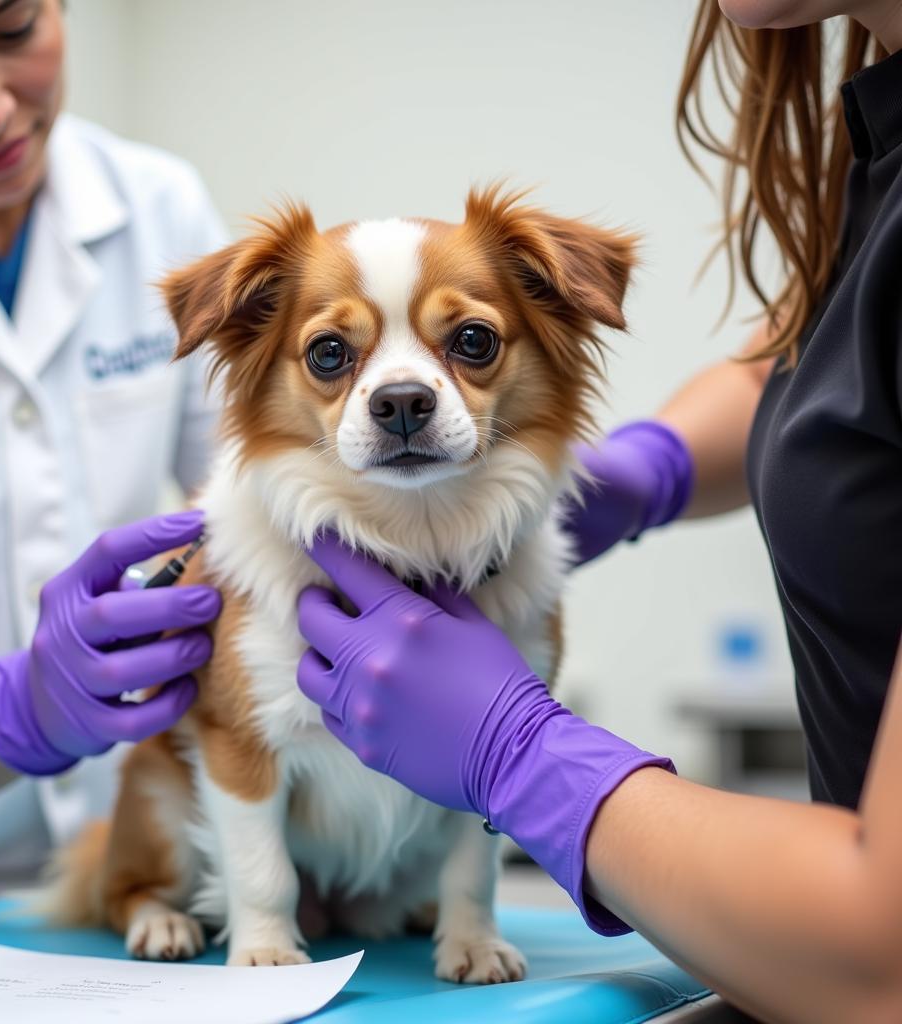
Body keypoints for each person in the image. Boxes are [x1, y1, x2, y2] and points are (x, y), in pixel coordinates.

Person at [294, 1, 902, 1021]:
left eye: (472, 342)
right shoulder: (878, 124)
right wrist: (648, 466)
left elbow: (882, 957)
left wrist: (523, 754)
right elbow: (821, 364)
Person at [0, 0, 224, 893]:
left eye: (12, 31)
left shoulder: (160, 208)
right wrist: (19, 712)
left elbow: (253, 491)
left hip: (151, 860)